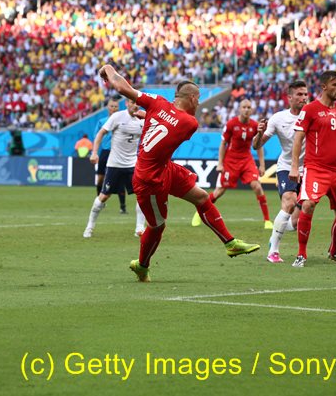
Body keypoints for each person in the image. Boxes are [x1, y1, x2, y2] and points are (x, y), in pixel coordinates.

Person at [98, 64, 260, 282]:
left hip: (163, 167)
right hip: (149, 179)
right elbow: (171, 124)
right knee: (157, 226)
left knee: (201, 197)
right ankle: (142, 266)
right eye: (198, 99)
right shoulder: (190, 123)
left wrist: (108, 68)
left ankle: (230, 243)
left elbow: (121, 87)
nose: (199, 103)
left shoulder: (157, 102)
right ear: (192, 98)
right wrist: (150, 117)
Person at [289, 70, 336, 267]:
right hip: (315, 168)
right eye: (335, 85)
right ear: (324, 87)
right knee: (308, 205)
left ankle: (334, 251)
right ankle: (301, 254)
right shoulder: (310, 109)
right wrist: (295, 167)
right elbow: (298, 138)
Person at [191, 98, 273, 230]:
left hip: (246, 160)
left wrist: (262, 165)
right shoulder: (231, 124)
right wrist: (220, 163)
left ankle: (267, 221)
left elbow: (259, 145)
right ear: (239, 109)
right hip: (231, 161)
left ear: (252, 110)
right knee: (219, 192)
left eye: (249, 107)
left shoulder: (254, 125)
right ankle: (199, 212)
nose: (246, 110)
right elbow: (223, 144)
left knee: (257, 186)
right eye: (244, 107)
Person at [253, 81, 309, 263]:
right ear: (289, 97)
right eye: (299, 94)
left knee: (296, 221)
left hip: (309, 169)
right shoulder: (278, 118)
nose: (303, 98)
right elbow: (257, 145)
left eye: (305, 94)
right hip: (286, 166)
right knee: (289, 201)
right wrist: (259, 133)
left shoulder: (313, 115)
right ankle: (273, 250)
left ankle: (280, 228)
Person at [84, 99, 145, 238]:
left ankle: (139, 228)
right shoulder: (117, 117)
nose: (135, 105)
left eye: (137, 103)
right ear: (127, 103)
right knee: (104, 196)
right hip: (115, 164)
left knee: (142, 195)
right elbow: (101, 133)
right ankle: (89, 227)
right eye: (132, 102)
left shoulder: (143, 119)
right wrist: (94, 152)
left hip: (132, 165)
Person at [94, 98, 127, 213]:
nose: (114, 108)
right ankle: (100, 202)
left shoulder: (123, 121)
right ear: (107, 107)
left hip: (118, 152)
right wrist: (95, 152)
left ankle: (123, 207)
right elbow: (97, 136)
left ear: (119, 108)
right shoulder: (102, 121)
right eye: (111, 106)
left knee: (120, 180)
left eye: (116, 106)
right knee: (100, 179)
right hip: (105, 151)